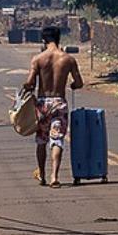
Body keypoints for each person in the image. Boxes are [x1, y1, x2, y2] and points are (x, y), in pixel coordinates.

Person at [22, 25, 83, 187]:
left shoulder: (38, 59)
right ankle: (54, 176)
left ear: (44, 40)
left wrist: (26, 88)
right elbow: (79, 83)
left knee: (41, 140)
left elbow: (30, 83)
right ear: (58, 39)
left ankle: (41, 174)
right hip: (59, 104)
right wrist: (72, 86)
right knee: (57, 140)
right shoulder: (68, 59)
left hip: (42, 104)